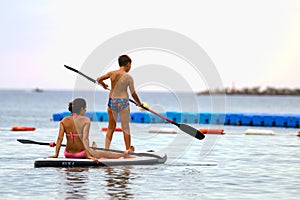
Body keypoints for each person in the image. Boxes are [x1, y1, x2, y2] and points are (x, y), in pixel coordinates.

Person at [48, 98, 132, 160]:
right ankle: (126, 155)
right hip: (82, 154)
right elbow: (85, 139)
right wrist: (88, 156)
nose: (85, 110)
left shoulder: (64, 120)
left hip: (68, 154)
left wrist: (56, 154)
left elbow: (60, 139)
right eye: (85, 108)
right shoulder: (86, 120)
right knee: (106, 153)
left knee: (93, 148)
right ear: (81, 109)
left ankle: (93, 148)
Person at [97, 55, 143, 152]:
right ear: (128, 64)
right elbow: (133, 93)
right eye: (130, 65)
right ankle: (127, 149)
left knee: (110, 128)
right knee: (125, 127)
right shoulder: (128, 77)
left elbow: (98, 79)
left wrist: (103, 84)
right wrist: (139, 103)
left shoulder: (112, 73)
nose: (130, 67)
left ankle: (106, 150)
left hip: (112, 101)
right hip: (123, 102)